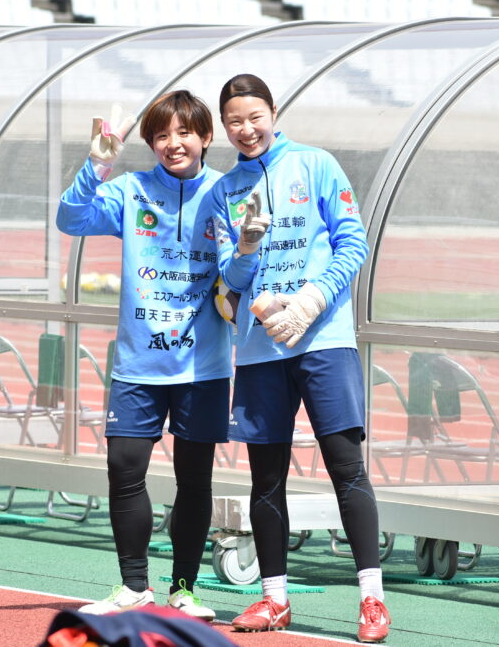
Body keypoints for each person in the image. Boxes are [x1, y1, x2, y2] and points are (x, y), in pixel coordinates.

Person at [204, 74, 391, 643]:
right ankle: (274, 599)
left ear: (273, 112)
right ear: (224, 127)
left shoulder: (317, 165)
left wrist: (311, 301)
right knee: (266, 477)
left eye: (254, 117)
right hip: (261, 351)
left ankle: (373, 600)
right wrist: (246, 252)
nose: (246, 129)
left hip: (324, 342)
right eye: (234, 121)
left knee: (346, 466)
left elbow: (353, 243)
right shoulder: (224, 191)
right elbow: (230, 281)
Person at [56, 91, 231, 621]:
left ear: (205, 137)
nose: (172, 144)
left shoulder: (226, 191)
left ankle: (185, 589)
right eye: (160, 136)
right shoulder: (130, 190)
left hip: (202, 366)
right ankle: (134, 586)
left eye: (184, 133)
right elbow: (71, 218)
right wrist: (97, 164)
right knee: (123, 468)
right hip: (138, 364)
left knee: (194, 479)